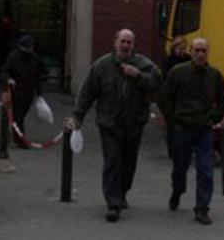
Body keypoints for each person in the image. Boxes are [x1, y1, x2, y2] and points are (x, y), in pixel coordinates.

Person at [65, 28, 162, 222]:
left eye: (129, 42)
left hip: (134, 123)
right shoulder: (101, 66)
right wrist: (78, 117)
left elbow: (157, 83)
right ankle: (113, 203)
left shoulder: (144, 65)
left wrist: (138, 76)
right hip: (109, 123)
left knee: (128, 163)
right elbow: (87, 93)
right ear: (115, 43)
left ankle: (122, 192)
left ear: (133, 45)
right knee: (112, 161)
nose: (125, 45)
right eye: (122, 41)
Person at [158, 37, 224, 226]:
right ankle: (177, 191)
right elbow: (165, 97)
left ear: (208, 53)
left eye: (203, 51)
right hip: (182, 128)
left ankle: (202, 208)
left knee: (205, 169)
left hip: (204, 129)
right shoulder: (178, 73)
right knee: (180, 167)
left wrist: (214, 117)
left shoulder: (215, 75)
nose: (200, 54)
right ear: (191, 51)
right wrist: (172, 120)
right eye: (197, 50)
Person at [0, 33, 46, 148]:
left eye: (31, 46)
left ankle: (16, 133)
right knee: (18, 116)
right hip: (16, 91)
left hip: (29, 92)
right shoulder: (13, 56)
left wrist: (40, 94)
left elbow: (38, 76)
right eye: (28, 46)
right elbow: (3, 71)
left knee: (21, 115)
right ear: (22, 46)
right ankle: (21, 141)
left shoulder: (34, 57)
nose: (30, 49)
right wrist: (9, 79)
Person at [161, 37, 192, 158]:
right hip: (173, 98)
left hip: (186, 97)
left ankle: (184, 149)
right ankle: (172, 150)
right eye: (180, 48)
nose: (182, 51)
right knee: (172, 126)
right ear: (174, 48)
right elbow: (166, 79)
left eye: (184, 48)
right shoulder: (169, 61)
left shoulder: (189, 59)